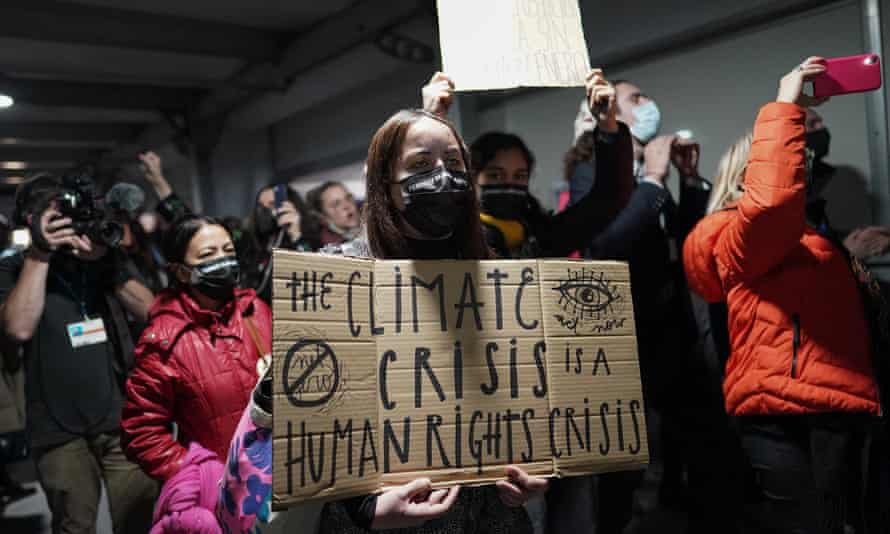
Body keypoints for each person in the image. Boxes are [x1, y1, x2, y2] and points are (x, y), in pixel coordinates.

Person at [683, 57, 881, 533]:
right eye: (795, 155)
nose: (804, 165)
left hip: (835, 404)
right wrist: (785, 104)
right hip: (787, 409)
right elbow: (772, 204)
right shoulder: (729, 232)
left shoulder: (806, 236)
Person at [0, 173, 158, 534]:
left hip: (120, 419)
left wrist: (107, 260)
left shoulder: (98, 258)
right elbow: (18, 327)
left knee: (140, 518)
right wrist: (40, 254)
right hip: (56, 431)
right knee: (75, 526)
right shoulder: (13, 267)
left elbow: (152, 312)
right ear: (30, 220)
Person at [121, 214, 272, 482]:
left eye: (228, 251)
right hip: (225, 493)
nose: (223, 261)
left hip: (279, 476)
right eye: (207, 254)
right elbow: (142, 432)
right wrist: (200, 478)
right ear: (181, 271)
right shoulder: (165, 341)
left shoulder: (256, 311)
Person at [421, 71, 634, 259]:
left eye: (520, 176)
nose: (509, 184)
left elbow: (609, 197)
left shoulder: (543, 237)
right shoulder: (453, 236)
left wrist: (608, 125)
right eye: (496, 176)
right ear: (472, 177)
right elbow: (424, 207)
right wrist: (431, 121)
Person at [243, 184, 320, 302]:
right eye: (261, 207)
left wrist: (296, 234)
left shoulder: (309, 239)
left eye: (272, 205)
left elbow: (314, 275)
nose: (264, 212)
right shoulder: (256, 246)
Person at [306, 181, 361, 247]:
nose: (347, 205)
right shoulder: (325, 247)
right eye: (336, 204)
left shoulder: (371, 225)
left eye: (348, 198)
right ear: (323, 216)